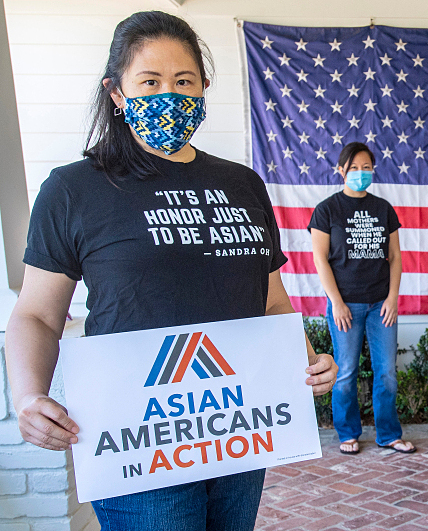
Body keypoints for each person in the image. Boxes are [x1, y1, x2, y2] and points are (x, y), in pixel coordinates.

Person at [4, 11, 337, 531]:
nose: (169, 95)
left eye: (184, 81)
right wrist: (28, 395)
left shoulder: (243, 185)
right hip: (137, 444)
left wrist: (306, 359)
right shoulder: (73, 190)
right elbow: (38, 315)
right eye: (150, 81)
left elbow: (270, 301)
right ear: (117, 93)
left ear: (203, 89)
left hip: (237, 430)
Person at [309, 142, 415, 455]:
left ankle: (389, 434)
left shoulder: (383, 209)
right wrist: (336, 302)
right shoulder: (327, 210)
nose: (360, 173)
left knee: (387, 373)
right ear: (341, 170)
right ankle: (348, 434)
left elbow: (395, 257)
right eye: (354, 167)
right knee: (345, 374)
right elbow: (320, 259)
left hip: (381, 304)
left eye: (366, 167)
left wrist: (392, 298)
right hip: (345, 305)